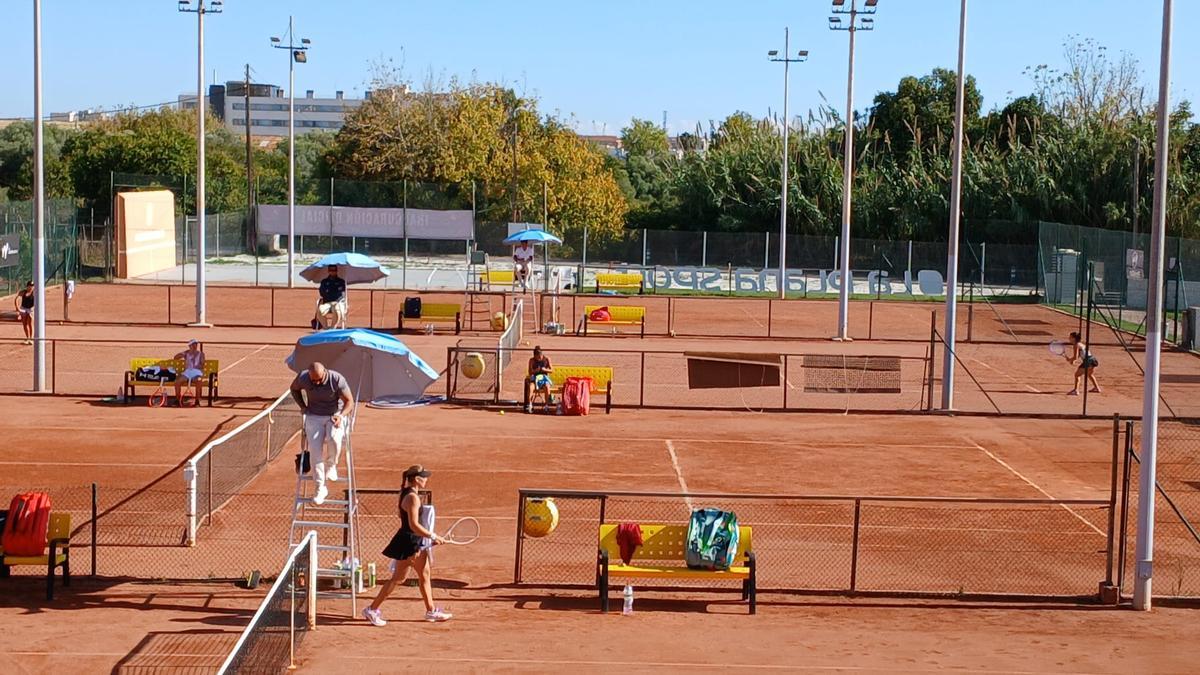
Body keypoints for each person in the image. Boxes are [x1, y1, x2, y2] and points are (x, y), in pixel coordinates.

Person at [363, 465, 453, 625]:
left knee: (424, 575)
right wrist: (432, 535)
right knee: (398, 578)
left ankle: (431, 611)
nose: (426, 479)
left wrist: (428, 539)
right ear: (417, 479)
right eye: (423, 476)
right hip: (410, 543)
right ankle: (372, 609)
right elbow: (413, 525)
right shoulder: (412, 497)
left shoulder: (407, 493)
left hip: (414, 541)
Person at [289, 362, 354, 504]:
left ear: (325, 372)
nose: (317, 383)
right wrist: (303, 407)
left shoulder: (337, 379)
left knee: (334, 438)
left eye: (319, 380)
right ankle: (320, 487)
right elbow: (294, 389)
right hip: (314, 416)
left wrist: (341, 416)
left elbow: (349, 401)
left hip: (334, 414)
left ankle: (331, 465)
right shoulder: (303, 377)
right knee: (315, 451)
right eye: (314, 381)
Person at [1066, 331, 1101, 396]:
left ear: (1074, 338)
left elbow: (1075, 357)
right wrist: (1073, 360)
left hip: (1088, 361)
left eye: (1070, 337)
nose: (1069, 338)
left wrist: (1071, 359)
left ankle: (1076, 390)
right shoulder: (1081, 344)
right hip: (1093, 360)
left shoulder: (1076, 345)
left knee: (1077, 375)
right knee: (1089, 374)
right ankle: (1097, 388)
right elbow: (1080, 354)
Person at [173, 339, 206, 406]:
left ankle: (197, 401)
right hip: (187, 373)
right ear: (189, 345)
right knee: (177, 381)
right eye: (193, 344)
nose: (195, 346)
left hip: (196, 372)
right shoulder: (186, 353)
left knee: (199, 381)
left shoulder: (201, 354)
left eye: (196, 344)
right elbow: (175, 357)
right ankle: (177, 400)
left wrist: (195, 365)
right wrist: (183, 353)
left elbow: (202, 365)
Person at [313, 265, 347, 330]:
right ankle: (326, 329)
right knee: (319, 310)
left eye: (334, 270)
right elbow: (322, 293)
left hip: (338, 302)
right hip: (327, 303)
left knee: (337, 310)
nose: (333, 272)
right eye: (331, 270)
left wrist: (329, 292)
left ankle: (333, 328)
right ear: (328, 271)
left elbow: (340, 294)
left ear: (337, 271)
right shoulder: (324, 282)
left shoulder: (341, 282)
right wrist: (331, 293)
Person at [524, 345, 553, 413]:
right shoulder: (531, 360)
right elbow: (530, 372)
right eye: (536, 357)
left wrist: (545, 369)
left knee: (547, 387)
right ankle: (530, 405)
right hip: (535, 379)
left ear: (541, 354)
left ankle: (546, 405)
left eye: (539, 357)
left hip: (544, 379)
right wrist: (535, 371)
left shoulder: (547, 359)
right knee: (531, 387)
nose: (538, 358)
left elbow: (551, 370)